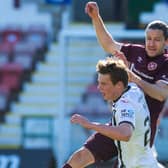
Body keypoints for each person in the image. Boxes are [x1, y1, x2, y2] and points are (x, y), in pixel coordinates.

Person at [63, 2, 168, 168]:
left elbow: (161, 94)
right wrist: (96, 18)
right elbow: (109, 45)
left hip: (138, 131)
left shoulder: (165, 63)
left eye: (157, 40)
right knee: (80, 157)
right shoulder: (136, 51)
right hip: (120, 121)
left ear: (166, 42)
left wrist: (133, 77)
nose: (151, 43)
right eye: (148, 38)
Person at [63, 58, 160, 168]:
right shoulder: (133, 88)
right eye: (98, 83)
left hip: (137, 165)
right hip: (136, 153)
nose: (99, 88)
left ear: (119, 85)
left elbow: (125, 133)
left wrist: (90, 125)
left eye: (104, 84)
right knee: (81, 156)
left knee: (82, 156)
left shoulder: (125, 104)